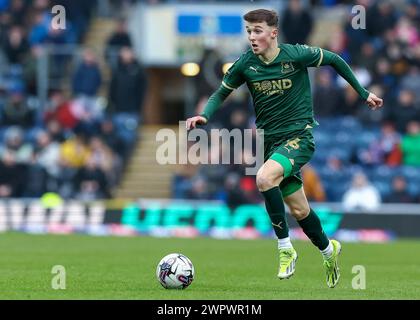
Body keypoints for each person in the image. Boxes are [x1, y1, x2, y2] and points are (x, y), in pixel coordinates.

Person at [186, 9, 383, 288]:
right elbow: (221, 92)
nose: (252, 37)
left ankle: (284, 247)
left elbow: (336, 60)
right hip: (271, 145)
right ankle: (329, 251)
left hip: (299, 138)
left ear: (273, 33)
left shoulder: (296, 54)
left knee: (264, 178)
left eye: (257, 31)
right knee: (301, 211)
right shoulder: (246, 64)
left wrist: (363, 93)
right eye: (249, 31)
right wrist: (205, 114)